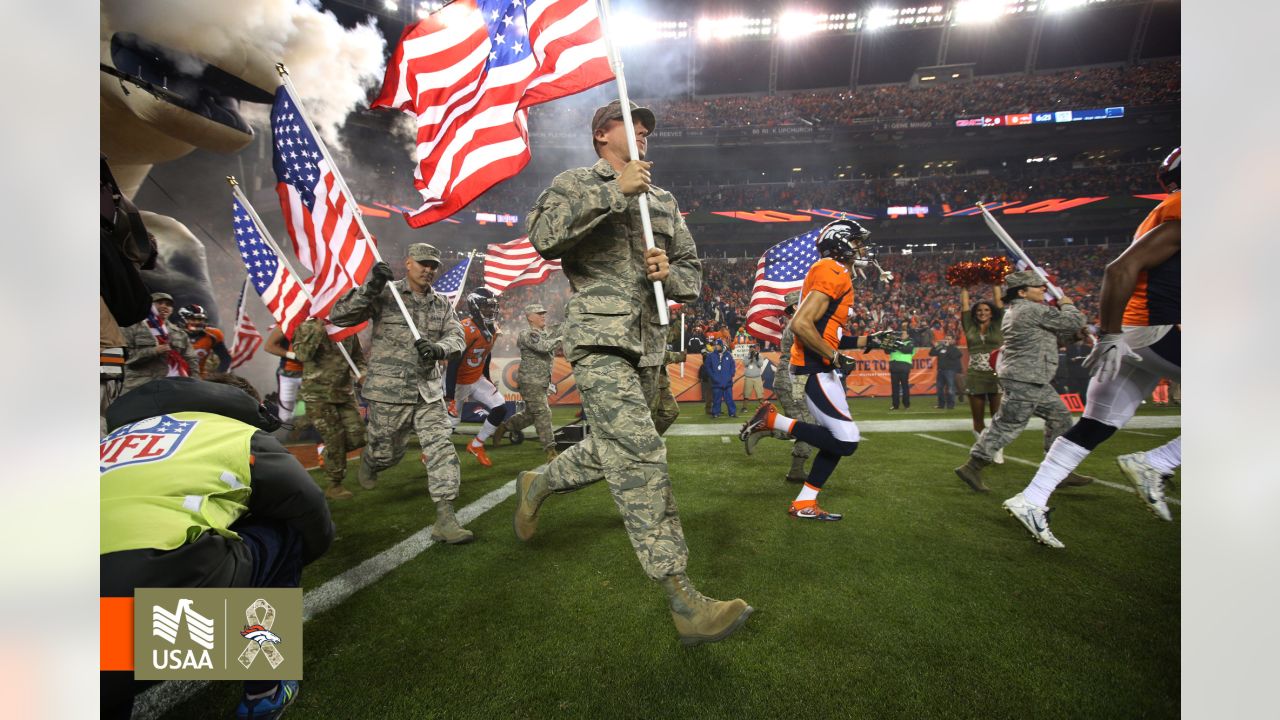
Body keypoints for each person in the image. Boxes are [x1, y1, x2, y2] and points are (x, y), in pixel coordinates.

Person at [513, 99, 752, 646]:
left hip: (650, 345)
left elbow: (691, 270)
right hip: (598, 341)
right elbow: (544, 236)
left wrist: (671, 272)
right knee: (641, 453)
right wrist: (611, 191)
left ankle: (540, 482)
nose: (644, 135)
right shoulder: (576, 182)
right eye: (633, 126)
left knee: (630, 437)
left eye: (648, 131)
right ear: (603, 134)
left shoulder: (662, 201)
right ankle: (681, 595)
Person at [100, 375, 333, 720]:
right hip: (150, 620)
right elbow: (309, 508)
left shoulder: (108, 441)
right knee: (283, 529)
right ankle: (264, 690)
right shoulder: (232, 432)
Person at [1002, 148, 1182, 548]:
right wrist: (1110, 332)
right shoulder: (1184, 212)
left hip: (1133, 335)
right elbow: (1118, 270)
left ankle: (1031, 498)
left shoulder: (1165, 213)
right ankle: (1157, 462)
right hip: (1149, 329)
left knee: (1096, 423)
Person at [739, 219, 896, 521]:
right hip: (816, 369)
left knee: (836, 438)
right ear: (841, 243)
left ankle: (804, 501)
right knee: (847, 440)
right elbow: (801, 325)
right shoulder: (832, 270)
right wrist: (834, 357)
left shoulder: (833, 271)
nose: (861, 248)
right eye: (856, 241)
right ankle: (772, 420)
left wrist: (868, 340)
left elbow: (830, 333)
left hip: (819, 367)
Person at [329, 243, 472, 544]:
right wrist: (371, 286)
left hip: (428, 392)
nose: (428, 269)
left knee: (441, 449)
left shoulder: (441, 304)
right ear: (408, 263)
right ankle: (373, 459)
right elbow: (340, 316)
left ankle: (445, 519)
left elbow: (456, 336)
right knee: (389, 453)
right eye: (422, 263)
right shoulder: (385, 293)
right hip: (389, 392)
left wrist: (439, 349)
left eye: (433, 265)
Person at [953, 271, 1096, 493]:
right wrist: (1067, 305)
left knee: (1060, 417)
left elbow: (1047, 342)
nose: (1043, 289)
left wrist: (1075, 337)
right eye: (1037, 286)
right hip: (1026, 377)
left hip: (1030, 376)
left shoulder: (1020, 311)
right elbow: (1074, 320)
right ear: (1022, 292)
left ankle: (1059, 471)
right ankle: (973, 466)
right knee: (1008, 424)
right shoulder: (1031, 309)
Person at [742, 291, 814, 484]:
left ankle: (796, 471)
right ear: (797, 306)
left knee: (808, 424)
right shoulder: (798, 325)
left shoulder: (797, 323)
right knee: (807, 426)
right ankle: (764, 428)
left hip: (794, 379)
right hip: (792, 379)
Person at [292, 317, 366, 500]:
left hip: (344, 393)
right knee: (335, 439)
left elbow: (358, 358)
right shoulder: (308, 326)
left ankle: (331, 454)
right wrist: (317, 329)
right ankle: (335, 485)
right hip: (317, 395)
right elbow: (302, 355)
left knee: (358, 438)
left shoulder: (348, 328)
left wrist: (362, 373)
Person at [447, 288, 508, 467]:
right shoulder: (465, 328)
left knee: (500, 407)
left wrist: (487, 377)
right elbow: (453, 363)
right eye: (485, 307)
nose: (490, 311)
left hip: (476, 379)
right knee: (451, 422)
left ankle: (476, 444)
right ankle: (431, 452)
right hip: (458, 382)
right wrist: (450, 396)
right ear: (475, 307)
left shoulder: (494, 327)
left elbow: (486, 354)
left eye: (492, 307)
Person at [496, 303, 561, 461]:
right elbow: (544, 347)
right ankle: (550, 450)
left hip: (541, 381)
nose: (543, 315)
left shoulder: (544, 333)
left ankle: (506, 426)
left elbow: (558, 328)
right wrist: (562, 337)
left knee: (532, 415)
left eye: (543, 313)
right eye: (539, 313)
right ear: (530, 317)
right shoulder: (527, 334)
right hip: (531, 381)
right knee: (543, 412)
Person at [960, 286, 1006, 463]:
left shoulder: (998, 324)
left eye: (986, 310)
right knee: (977, 418)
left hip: (996, 374)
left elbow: (998, 301)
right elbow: (964, 304)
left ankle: (998, 449)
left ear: (992, 313)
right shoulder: (969, 326)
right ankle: (983, 450)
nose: (982, 312)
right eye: (979, 310)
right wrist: (964, 284)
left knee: (998, 417)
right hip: (975, 375)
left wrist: (996, 283)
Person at [121, 291, 200, 393]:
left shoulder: (179, 333)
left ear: (172, 310)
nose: (164, 306)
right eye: (159, 303)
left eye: (168, 304)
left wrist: (195, 382)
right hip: (139, 386)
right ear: (149, 305)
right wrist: (153, 351)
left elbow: (191, 359)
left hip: (172, 387)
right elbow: (126, 358)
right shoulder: (131, 328)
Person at [649, 317, 684, 435]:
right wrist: (677, 356)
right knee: (649, 415)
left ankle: (652, 439)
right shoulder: (643, 328)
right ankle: (646, 443)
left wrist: (680, 318)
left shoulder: (657, 329)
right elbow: (652, 354)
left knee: (671, 411)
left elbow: (671, 335)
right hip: (649, 381)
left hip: (660, 381)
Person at [263, 325, 304, 424]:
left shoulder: (319, 322)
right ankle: (286, 430)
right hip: (289, 373)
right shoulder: (286, 323)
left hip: (312, 372)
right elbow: (269, 346)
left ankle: (302, 430)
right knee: (286, 409)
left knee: (305, 405)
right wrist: (292, 355)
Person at [179, 304, 232, 377]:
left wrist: (216, 376)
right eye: (193, 319)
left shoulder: (212, 335)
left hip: (198, 378)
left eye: (200, 319)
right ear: (184, 320)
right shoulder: (173, 334)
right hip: (173, 377)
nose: (197, 322)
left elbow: (226, 358)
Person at [707, 338, 737, 418]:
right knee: (716, 399)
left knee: (729, 399)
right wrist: (713, 376)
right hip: (716, 382)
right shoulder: (711, 356)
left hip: (727, 382)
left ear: (721, 345)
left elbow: (733, 366)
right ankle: (715, 413)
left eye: (717, 345)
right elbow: (708, 367)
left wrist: (731, 374)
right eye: (715, 345)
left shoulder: (728, 355)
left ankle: (732, 413)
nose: (716, 347)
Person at [930, 335, 962, 410]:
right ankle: (941, 405)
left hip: (950, 371)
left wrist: (947, 347)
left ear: (952, 341)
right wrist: (935, 346)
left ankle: (950, 405)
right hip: (940, 370)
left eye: (949, 339)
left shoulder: (954, 348)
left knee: (950, 388)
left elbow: (956, 356)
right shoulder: (941, 347)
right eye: (946, 339)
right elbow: (931, 353)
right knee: (939, 388)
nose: (947, 340)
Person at [888, 328, 914, 410]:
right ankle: (895, 405)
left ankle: (906, 405)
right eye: (901, 333)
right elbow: (887, 351)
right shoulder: (896, 342)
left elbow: (906, 350)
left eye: (903, 333)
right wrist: (888, 342)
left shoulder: (910, 342)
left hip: (904, 367)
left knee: (905, 387)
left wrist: (895, 344)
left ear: (908, 335)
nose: (902, 335)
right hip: (894, 366)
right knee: (894, 388)